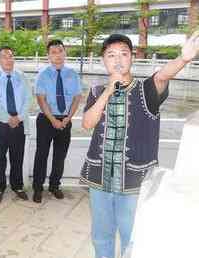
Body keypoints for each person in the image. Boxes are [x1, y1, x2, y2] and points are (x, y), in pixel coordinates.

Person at [80, 32, 199, 258]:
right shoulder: (97, 92)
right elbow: (87, 123)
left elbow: (163, 76)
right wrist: (108, 91)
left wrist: (183, 59)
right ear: (103, 60)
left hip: (133, 180)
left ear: (131, 58)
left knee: (131, 236)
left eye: (123, 54)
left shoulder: (146, 90)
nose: (117, 60)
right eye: (111, 55)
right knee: (101, 236)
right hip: (99, 178)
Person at [32, 39, 82, 203]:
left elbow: (77, 98)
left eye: (60, 51)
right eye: (53, 52)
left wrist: (68, 118)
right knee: (42, 155)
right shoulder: (43, 74)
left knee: (60, 155)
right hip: (46, 119)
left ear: (64, 53)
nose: (58, 55)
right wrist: (53, 119)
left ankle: (54, 186)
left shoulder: (72, 74)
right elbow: (41, 99)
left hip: (65, 121)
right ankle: (38, 188)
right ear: (48, 56)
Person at [0, 46, 32, 203]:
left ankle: (17, 186)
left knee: (17, 157)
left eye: (11, 56)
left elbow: (28, 99)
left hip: (19, 122)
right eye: (4, 57)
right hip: (1, 124)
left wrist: (18, 117)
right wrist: (7, 118)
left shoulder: (23, 77)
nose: (8, 59)